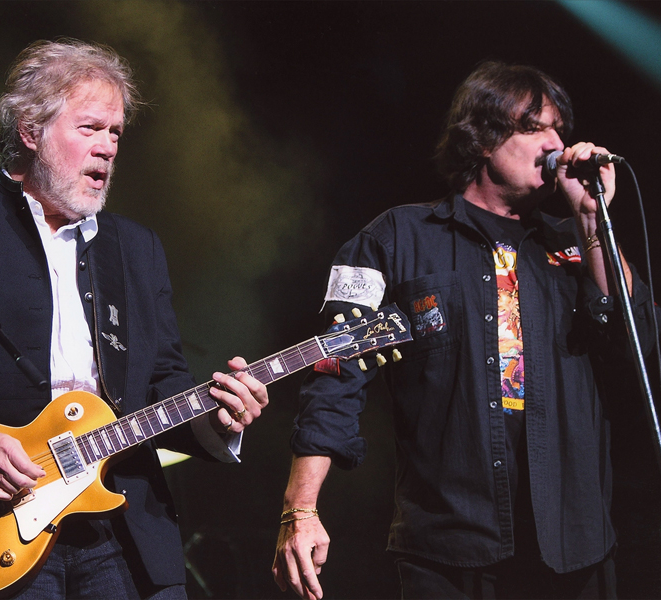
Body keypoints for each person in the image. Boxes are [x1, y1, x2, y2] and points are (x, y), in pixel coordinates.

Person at [0, 38, 268, 599]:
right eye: (90, 128)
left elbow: (163, 381)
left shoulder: (137, 248)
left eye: (116, 132)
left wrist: (218, 421)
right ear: (31, 131)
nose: (107, 148)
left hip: (121, 527)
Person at [272, 61, 656, 599]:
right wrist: (301, 510)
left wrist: (594, 223)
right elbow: (333, 376)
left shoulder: (577, 246)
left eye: (558, 129)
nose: (556, 143)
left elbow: (638, 345)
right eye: (534, 127)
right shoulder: (395, 238)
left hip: (577, 543)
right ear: (481, 139)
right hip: (448, 547)